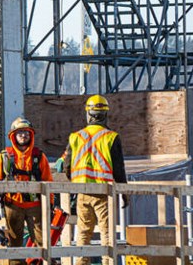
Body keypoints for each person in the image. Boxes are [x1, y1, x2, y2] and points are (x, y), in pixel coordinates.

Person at [61, 95, 127, 265]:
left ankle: (82, 263)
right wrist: (124, 192)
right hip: (103, 193)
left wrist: (76, 181)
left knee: (83, 233)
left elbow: (67, 167)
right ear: (105, 114)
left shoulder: (76, 137)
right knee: (107, 233)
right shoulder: (111, 137)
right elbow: (119, 169)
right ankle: (108, 263)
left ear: (88, 114)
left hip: (82, 192)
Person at [0, 117, 53, 265]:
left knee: (43, 242)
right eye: (20, 133)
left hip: (35, 206)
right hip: (13, 205)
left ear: (31, 135)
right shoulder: (5, 157)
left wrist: (50, 204)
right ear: (13, 136)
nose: (23, 136)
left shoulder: (38, 156)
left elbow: (49, 182)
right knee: (14, 244)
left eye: (26, 133)